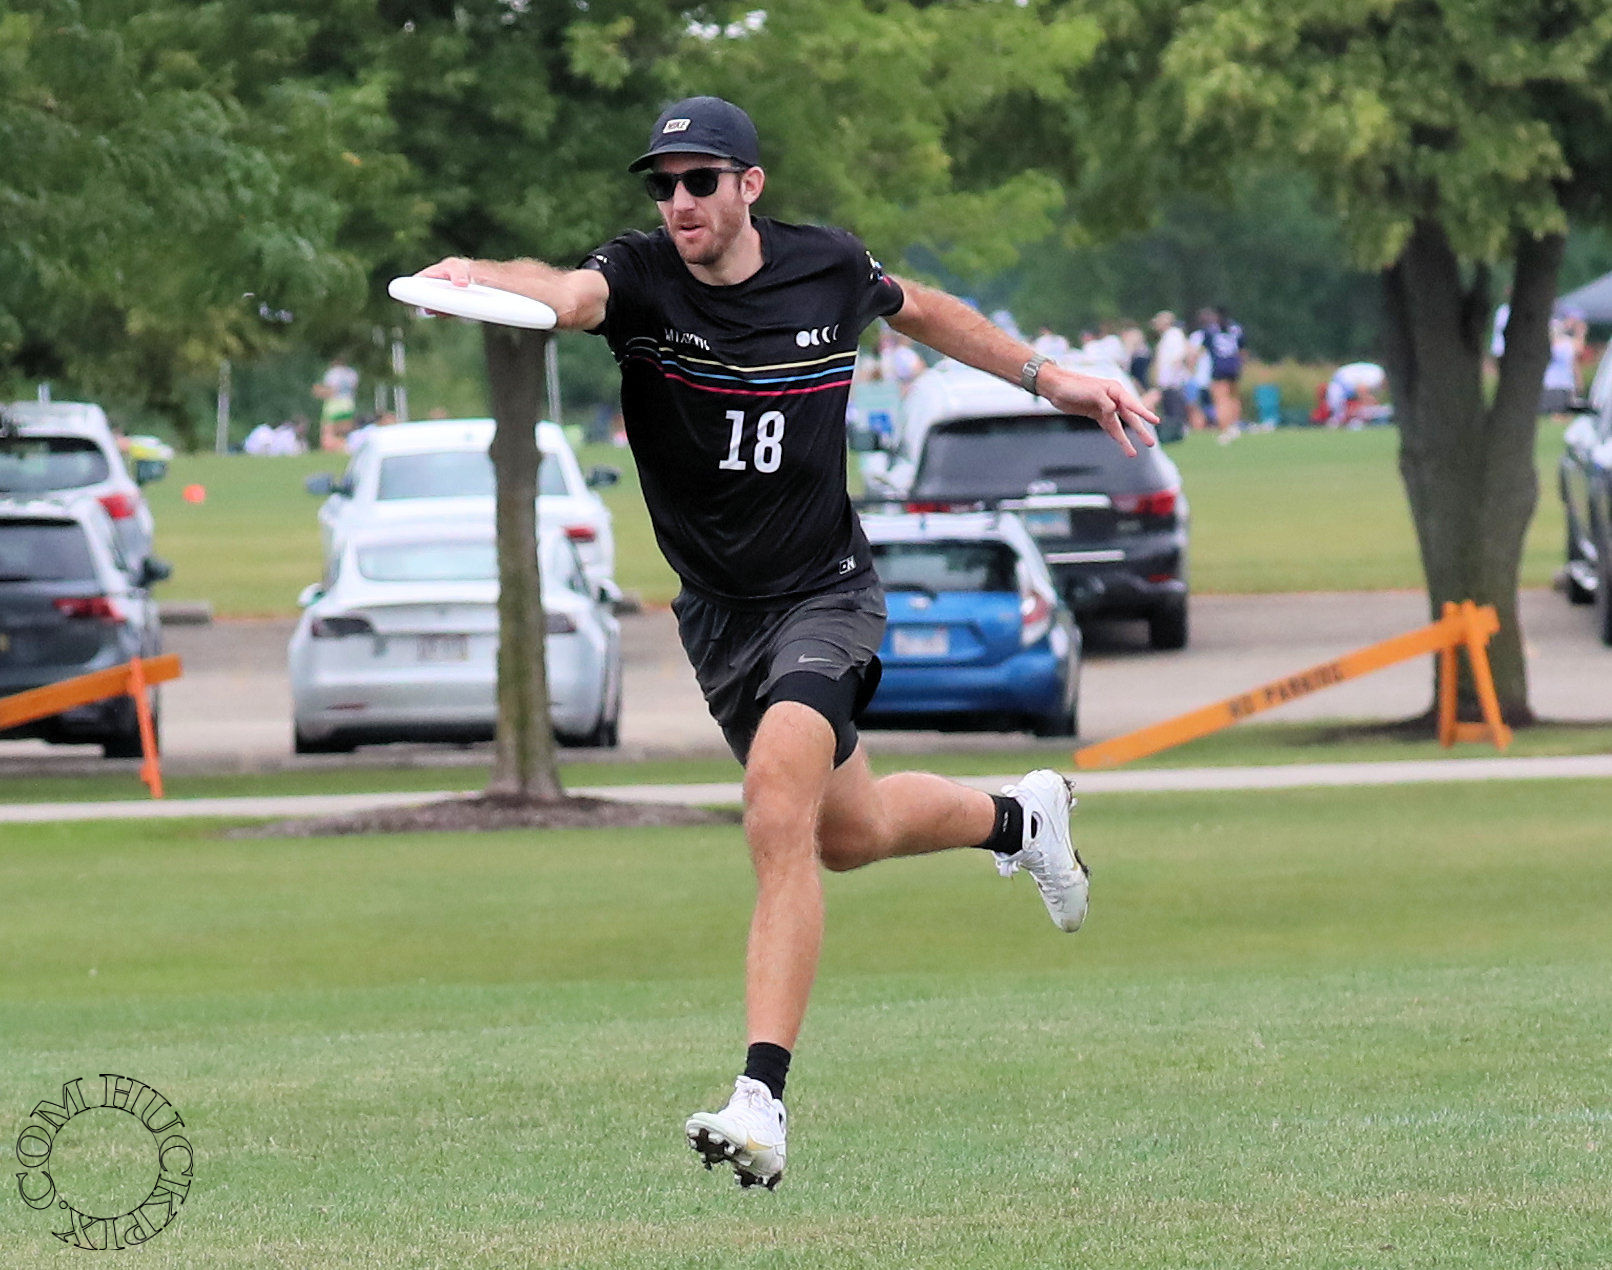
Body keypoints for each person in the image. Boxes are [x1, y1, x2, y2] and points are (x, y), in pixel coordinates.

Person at [413, 96, 1157, 1192]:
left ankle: (760, 1101)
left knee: (775, 805)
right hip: (719, 618)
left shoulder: (827, 266)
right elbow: (566, 295)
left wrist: (1053, 380)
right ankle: (1020, 817)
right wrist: (476, 275)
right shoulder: (638, 278)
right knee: (847, 834)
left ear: (749, 185)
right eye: (663, 185)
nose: (678, 202)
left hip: (825, 596)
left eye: (699, 181)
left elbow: (922, 310)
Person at [1193, 306, 1245, 442]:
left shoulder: (1211, 331)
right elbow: (1242, 350)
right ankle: (1235, 425)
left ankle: (1225, 428)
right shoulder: (1236, 329)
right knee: (1234, 397)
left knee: (1221, 399)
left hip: (1219, 368)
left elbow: (1202, 350)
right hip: (1234, 367)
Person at [1147, 311, 1191, 441]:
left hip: (1172, 381)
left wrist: (1171, 378)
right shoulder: (1167, 336)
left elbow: (1178, 357)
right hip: (1167, 381)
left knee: (1174, 408)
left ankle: (1177, 432)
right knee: (1169, 408)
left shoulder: (1174, 335)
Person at [1323, 361, 1388, 428]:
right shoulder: (1377, 377)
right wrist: (1369, 401)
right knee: (1338, 414)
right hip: (1340, 383)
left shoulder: (1378, 376)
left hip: (1344, 382)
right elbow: (1360, 389)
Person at [313, 357, 359, 452]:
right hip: (348, 404)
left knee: (328, 432)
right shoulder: (352, 373)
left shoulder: (333, 373)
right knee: (344, 433)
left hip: (334, 405)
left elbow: (331, 391)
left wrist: (318, 391)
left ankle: (335, 449)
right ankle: (345, 449)